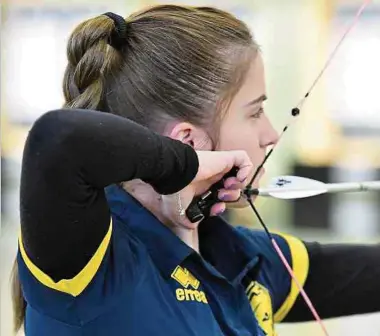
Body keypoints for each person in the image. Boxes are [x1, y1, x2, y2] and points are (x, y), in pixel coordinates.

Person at [12, 5, 379, 336]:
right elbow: (59, 139)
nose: (270, 135)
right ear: (187, 141)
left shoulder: (238, 255)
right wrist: (181, 167)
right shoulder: (90, 258)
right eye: (254, 112)